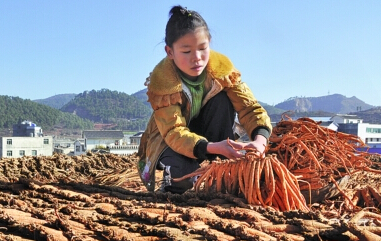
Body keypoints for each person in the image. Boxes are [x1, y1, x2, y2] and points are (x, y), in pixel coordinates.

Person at [137, 5, 272, 194]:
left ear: (210, 42)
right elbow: (174, 132)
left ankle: (223, 168)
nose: (197, 58)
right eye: (186, 51)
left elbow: (249, 108)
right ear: (170, 52)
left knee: (223, 99)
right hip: (170, 141)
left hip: (211, 139)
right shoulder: (162, 83)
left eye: (202, 48)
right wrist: (212, 147)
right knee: (182, 179)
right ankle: (173, 179)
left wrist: (259, 141)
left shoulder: (223, 72)